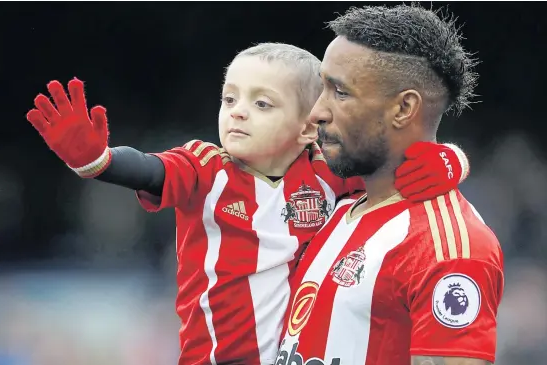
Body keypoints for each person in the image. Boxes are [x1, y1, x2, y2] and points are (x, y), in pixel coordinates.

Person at [26, 42, 469, 365]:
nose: (237, 112)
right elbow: (148, 169)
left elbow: (397, 158)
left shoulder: (324, 171)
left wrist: (453, 160)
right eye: (230, 98)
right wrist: (99, 161)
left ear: (306, 129)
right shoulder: (206, 168)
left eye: (262, 103)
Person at [276, 5, 503, 365]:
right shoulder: (339, 209)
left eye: (341, 92)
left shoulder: (448, 247)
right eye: (323, 88)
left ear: (403, 108)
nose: (316, 111)